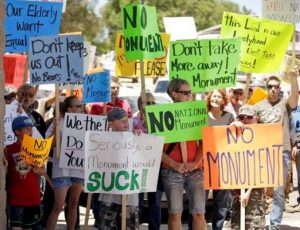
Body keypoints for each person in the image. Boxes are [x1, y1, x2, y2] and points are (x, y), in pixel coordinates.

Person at [253, 69, 299, 230]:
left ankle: (275, 225)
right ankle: (259, 222)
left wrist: (293, 78)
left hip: (282, 152)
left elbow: (295, 97)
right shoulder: (258, 106)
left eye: (276, 86)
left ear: (279, 88)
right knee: (259, 190)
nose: (273, 89)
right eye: (270, 86)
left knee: (279, 191)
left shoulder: (285, 103)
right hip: (262, 153)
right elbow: (247, 122)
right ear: (266, 88)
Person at [161, 78, 206, 230]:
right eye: (185, 93)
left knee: (199, 213)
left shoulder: (196, 114)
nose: (189, 96)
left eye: (190, 92)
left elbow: (205, 142)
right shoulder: (161, 115)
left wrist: (196, 162)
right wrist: (174, 164)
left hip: (196, 170)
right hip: (171, 170)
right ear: (174, 94)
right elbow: (154, 148)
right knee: (174, 213)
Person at [98, 107, 140, 229]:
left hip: (130, 193)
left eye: (127, 120)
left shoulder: (134, 137)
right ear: (111, 123)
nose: (126, 123)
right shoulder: (102, 140)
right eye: (121, 121)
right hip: (110, 192)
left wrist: (140, 139)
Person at [46, 96, 84, 230]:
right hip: (61, 170)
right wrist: (56, 129)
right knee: (58, 206)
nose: (81, 108)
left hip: (79, 169)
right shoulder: (58, 122)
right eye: (78, 106)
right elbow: (49, 146)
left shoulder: (85, 123)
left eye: (81, 105)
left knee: (74, 203)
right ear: (70, 108)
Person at [5, 116, 46, 230]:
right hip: (16, 197)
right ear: (17, 131)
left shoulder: (36, 148)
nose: (30, 131)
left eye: (31, 129)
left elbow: (43, 170)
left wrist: (39, 170)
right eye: (26, 129)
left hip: (33, 197)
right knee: (15, 227)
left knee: (29, 227)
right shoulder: (8, 149)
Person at [231, 105, 266, 229]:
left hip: (255, 191)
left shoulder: (263, 138)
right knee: (237, 225)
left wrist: (248, 192)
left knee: (253, 226)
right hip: (237, 191)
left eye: (249, 117)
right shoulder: (233, 137)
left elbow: (263, 168)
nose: (245, 120)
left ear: (256, 119)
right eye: (241, 117)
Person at [133, 92, 163, 230]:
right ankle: (135, 226)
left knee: (155, 203)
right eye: (146, 102)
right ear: (140, 105)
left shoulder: (159, 120)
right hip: (137, 166)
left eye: (152, 103)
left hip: (155, 167)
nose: (150, 105)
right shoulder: (132, 121)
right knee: (137, 203)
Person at [206, 89, 235, 230]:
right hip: (203, 166)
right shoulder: (201, 117)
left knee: (221, 204)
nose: (216, 98)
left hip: (223, 166)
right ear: (209, 98)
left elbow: (234, 136)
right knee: (199, 205)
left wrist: (238, 125)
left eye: (219, 96)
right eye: (213, 96)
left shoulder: (229, 117)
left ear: (224, 100)